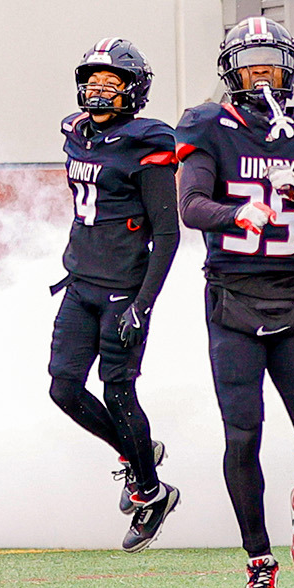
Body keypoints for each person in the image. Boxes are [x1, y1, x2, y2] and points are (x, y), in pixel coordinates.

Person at [177, 18, 294, 588]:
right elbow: (192, 206)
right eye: (249, 62)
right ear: (231, 69)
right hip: (232, 294)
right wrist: (238, 215)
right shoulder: (209, 126)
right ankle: (259, 560)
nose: (261, 73)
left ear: (289, 67)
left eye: (270, 62)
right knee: (242, 435)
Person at [53, 38, 181, 553]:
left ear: (134, 90)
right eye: (92, 79)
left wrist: (142, 304)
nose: (99, 89)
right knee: (63, 388)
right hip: (80, 280)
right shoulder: (75, 132)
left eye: (112, 81)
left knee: (117, 390)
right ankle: (139, 453)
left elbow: (167, 234)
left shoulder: (146, 142)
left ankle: (152, 494)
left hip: (122, 290)